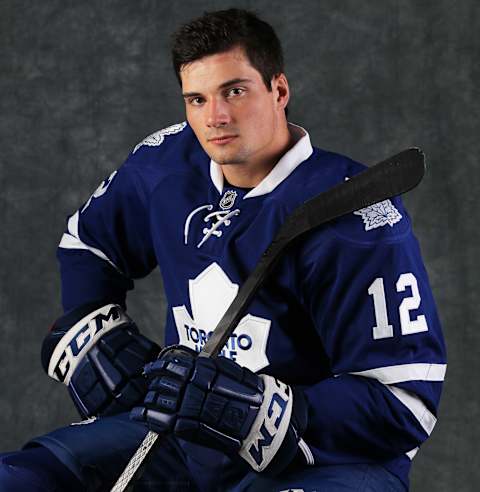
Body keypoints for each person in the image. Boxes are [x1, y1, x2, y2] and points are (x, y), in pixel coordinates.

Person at [0, 8, 446, 492]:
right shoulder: (166, 164)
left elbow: (406, 404)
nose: (215, 118)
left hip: (320, 462)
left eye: (235, 91)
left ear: (278, 90)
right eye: (196, 99)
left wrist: (256, 409)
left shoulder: (355, 217)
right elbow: (87, 245)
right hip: (184, 439)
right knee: (22, 479)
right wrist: (93, 329)